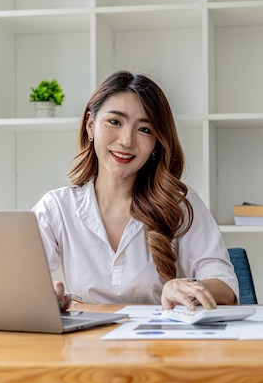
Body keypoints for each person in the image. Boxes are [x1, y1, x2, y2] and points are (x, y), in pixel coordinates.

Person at [32, 70, 239, 311]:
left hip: (161, 343)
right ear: (90, 125)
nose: (127, 141)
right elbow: (14, 281)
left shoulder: (180, 204)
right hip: (85, 345)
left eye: (144, 129)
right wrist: (45, 297)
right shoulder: (57, 208)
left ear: (156, 142)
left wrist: (184, 286)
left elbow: (226, 287)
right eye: (115, 122)